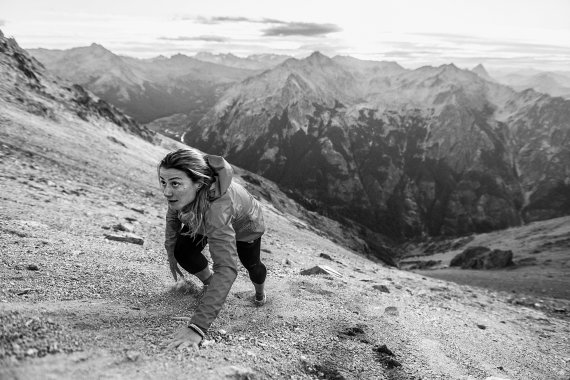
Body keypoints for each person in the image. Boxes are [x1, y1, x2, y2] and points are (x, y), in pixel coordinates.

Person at [158, 148, 267, 350]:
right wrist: (171, 254)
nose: (166, 191)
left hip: (246, 227)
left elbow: (226, 268)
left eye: (174, 183)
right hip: (201, 214)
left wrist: (197, 327)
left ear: (199, 183)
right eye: (163, 182)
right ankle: (210, 284)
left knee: (252, 265)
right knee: (183, 251)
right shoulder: (186, 193)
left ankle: (260, 294)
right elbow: (173, 216)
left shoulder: (218, 208)